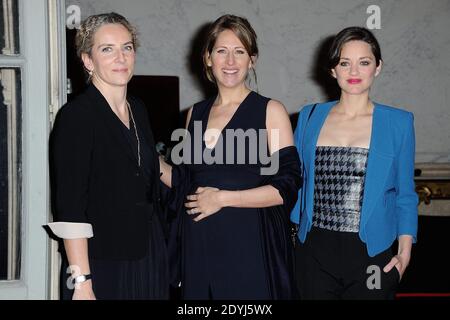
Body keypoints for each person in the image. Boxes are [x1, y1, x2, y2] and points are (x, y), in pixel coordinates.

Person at [160, 14, 301, 299]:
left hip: (249, 248)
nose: (230, 61)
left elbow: (287, 186)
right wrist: (139, 151)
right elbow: (184, 181)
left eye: (240, 52)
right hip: (199, 248)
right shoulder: (194, 114)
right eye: (221, 51)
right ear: (208, 58)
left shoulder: (270, 111)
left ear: (252, 60)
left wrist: (223, 198)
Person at [291, 26, 418, 299]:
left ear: (378, 67)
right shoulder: (309, 117)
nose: (354, 72)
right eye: (344, 63)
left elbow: (406, 194)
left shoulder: (399, 123)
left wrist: (404, 253)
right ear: (332, 69)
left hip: (372, 255)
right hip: (313, 252)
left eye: (364, 62)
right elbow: (292, 181)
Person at [48, 12, 169, 300]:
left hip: (149, 253)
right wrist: (82, 282)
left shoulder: (138, 109)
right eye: (107, 49)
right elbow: (71, 208)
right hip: (102, 262)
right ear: (88, 61)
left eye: (127, 47)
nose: (121, 58)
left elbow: (150, 165)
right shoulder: (77, 116)